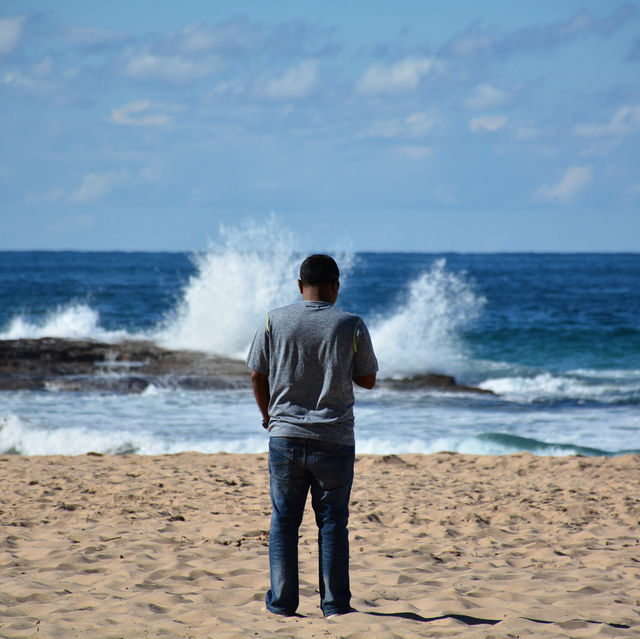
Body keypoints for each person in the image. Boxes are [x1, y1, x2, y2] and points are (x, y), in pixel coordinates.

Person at [246, 254, 378, 618]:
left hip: (285, 435)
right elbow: (368, 379)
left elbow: (257, 374)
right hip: (335, 437)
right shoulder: (350, 324)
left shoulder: (275, 320)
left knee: (284, 522)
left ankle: (283, 604)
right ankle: (334, 606)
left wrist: (267, 417)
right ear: (336, 286)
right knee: (333, 523)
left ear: (300, 286)